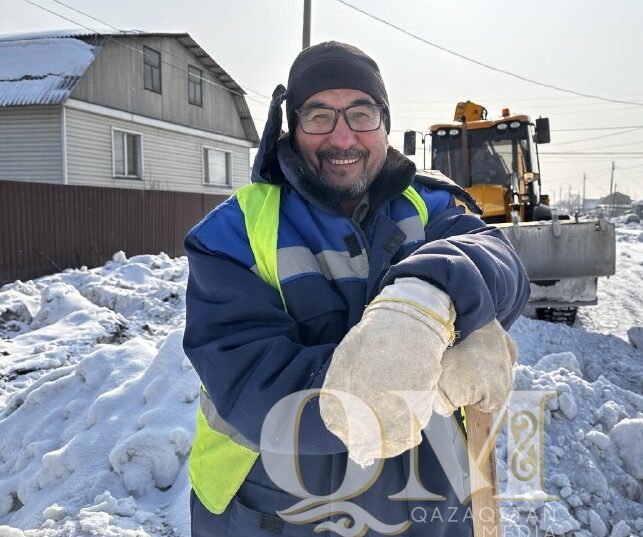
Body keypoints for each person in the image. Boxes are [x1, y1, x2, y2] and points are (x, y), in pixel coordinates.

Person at [183, 41, 530, 536]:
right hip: (279, 509)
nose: (342, 136)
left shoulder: (430, 204)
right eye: (320, 116)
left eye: (361, 114)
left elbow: (496, 257)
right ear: (293, 127)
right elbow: (243, 375)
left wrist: (427, 298)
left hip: (426, 499)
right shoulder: (235, 231)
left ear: (385, 125)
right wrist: (399, 391)